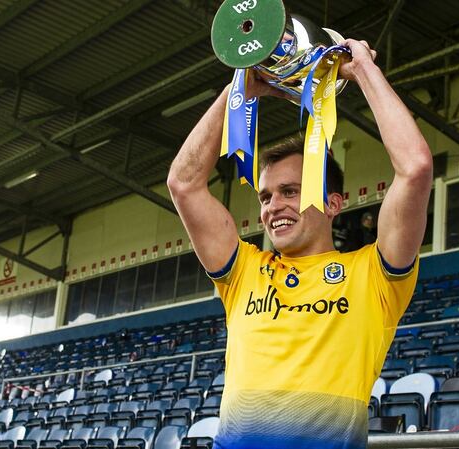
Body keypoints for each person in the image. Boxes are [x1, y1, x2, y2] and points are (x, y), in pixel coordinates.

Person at [167, 39, 432, 449]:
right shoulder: (243, 273)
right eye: (266, 196)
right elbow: (183, 184)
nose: (274, 206)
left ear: (333, 203)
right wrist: (241, 87)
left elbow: (414, 169)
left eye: (290, 191)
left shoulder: (374, 277)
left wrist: (362, 69)